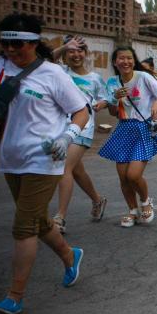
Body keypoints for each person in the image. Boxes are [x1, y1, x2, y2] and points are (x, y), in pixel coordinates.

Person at [0, 13, 88, 314]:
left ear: (34, 43)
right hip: (10, 158)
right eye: (6, 44)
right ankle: (69, 255)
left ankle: (15, 295)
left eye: (18, 45)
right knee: (37, 222)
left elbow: (81, 111)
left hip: (45, 158)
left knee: (24, 226)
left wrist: (67, 138)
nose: (11, 50)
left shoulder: (53, 74)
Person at [99, 46, 157, 227]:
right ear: (115, 62)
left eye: (129, 58)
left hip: (142, 128)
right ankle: (132, 210)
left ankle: (146, 202)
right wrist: (115, 99)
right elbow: (114, 112)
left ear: (133, 60)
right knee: (123, 176)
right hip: (123, 129)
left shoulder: (143, 77)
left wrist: (156, 104)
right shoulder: (112, 82)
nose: (126, 62)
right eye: (121, 59)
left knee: (133, 175)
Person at [50, 36, 109, 232]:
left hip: (83, 128)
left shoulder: (95, 79)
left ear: (86, 53)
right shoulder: (60, 72)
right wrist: (64, 46)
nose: (76, 54)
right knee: (76, 171)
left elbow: (104, 98)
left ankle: (60, 218)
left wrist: (102, 103)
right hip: (59, 127)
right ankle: (97, 200)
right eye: (71, 51)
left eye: (80, 50)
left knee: (63, 168)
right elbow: (46, 61)